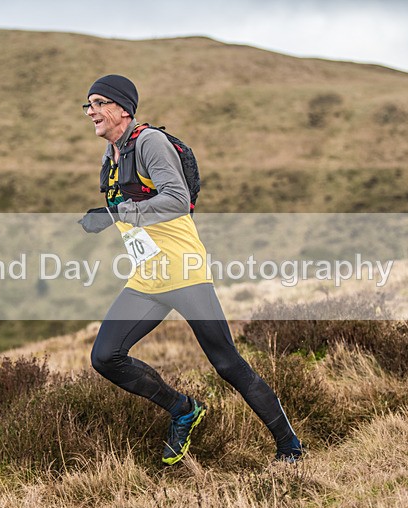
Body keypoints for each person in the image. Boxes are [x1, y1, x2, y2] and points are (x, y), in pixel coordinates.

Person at [78, 74, 303, 464]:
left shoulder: (149, 142)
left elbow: (177, 200)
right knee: (105, 357)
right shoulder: (110, 155)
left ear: (122, 108)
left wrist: (117, 213)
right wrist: (109, 218)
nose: (91, 112)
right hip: (147, 276)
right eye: (88, 105)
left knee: (227, 363)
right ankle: (184, 409)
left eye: (98, 103)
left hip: (183, 271)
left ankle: (290, 447)